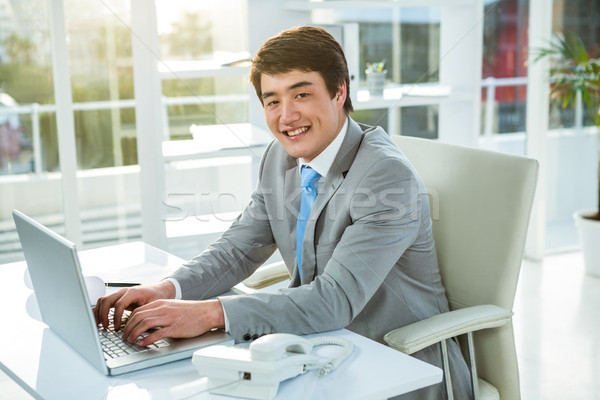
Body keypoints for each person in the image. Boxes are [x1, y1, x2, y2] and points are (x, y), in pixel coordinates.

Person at [94, 26, 472, 399]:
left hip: (399, 368)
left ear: (339, 91)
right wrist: (166, 289)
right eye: (272, 101)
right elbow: (239, 249)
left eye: (301, 94)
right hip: (319, 350)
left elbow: (333, 300)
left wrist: (209, 314)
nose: (286, 116)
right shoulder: (282, 156)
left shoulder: (387, 177)